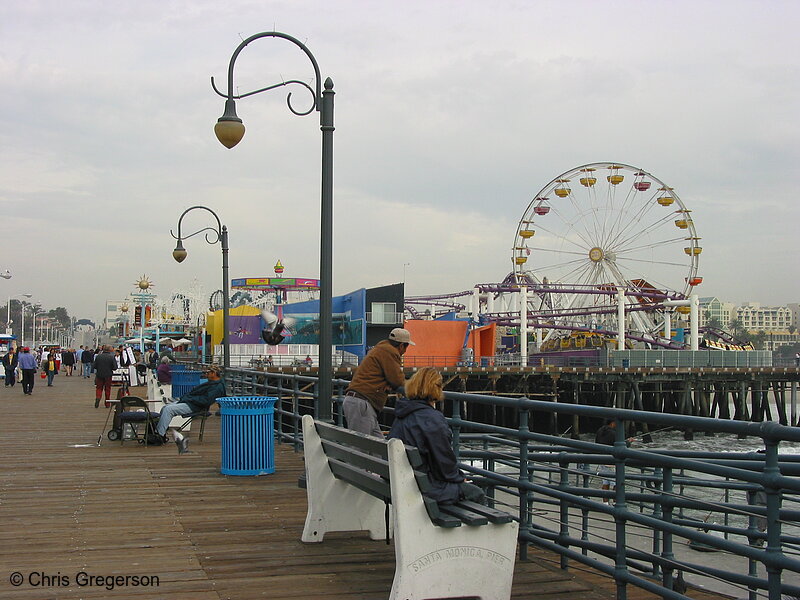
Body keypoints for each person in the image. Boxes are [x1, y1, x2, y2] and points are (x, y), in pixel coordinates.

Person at [389, 367, 484, 505]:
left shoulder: (402, 413)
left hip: (400, 481)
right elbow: (444, 464)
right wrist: (460, 478)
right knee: (476, 493)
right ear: (436, 389)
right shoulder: (432, 419)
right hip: (424, 488)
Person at [343, 328, 414, 437]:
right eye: (406, 347)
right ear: (401, 346)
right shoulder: (390, 352)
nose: (405, 351)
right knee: (362, 448)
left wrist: (386, 383)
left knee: (379, 447)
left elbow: (382, 375)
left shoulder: (381, 349)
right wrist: (415, 389)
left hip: (359, 402)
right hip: (363, 404)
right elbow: (398, 380)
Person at [155, 365, 227, 454]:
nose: (206, 374)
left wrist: (190, 399)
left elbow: (206, 401)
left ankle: (159, 436)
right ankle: (160, 432)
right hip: (191, 403)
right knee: (165, 407)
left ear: (214, 374)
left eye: (208, 373)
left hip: (195, 406)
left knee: (168, 410)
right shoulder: (213, 383)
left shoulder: (216, 387)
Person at [595, 418, 634, 502]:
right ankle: (615, 502)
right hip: (612, 461)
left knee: (605, 482)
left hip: (601, 459)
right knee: (616, 483)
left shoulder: (600, 430)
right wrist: (628, 442)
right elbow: (620, 447)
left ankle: (605, 503)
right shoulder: (613, 433)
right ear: (612, 423)